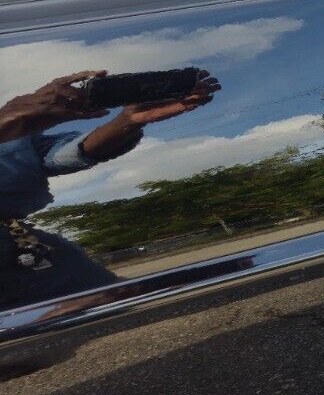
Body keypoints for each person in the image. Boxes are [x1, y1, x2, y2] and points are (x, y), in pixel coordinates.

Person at [0, 69, 220, 304]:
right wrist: (7, 122)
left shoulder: (19, 135)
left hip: (30, 251)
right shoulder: (11, 118)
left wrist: (128, 120)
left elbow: (67, 152)